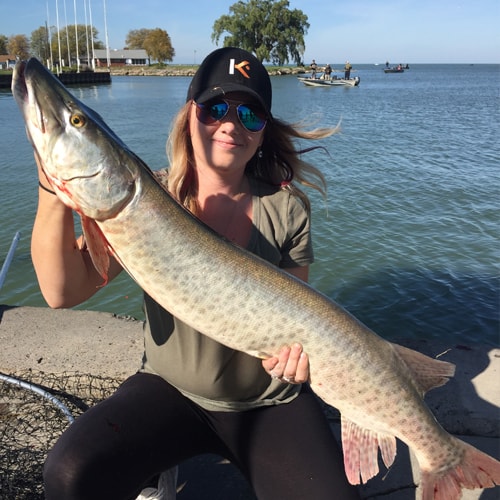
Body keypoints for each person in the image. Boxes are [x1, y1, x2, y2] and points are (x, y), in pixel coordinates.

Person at [36, 47, 360, 500]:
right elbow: (60, 292)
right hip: (170, 389)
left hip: (268, 401)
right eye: (215, 108)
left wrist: (296, 360)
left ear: (263, 132)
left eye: (250, 114)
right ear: (191, 114)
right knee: (71, 473)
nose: (230, 124)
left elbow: (297, 311)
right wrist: (53, 189)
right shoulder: (140, 199)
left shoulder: (288, 209)